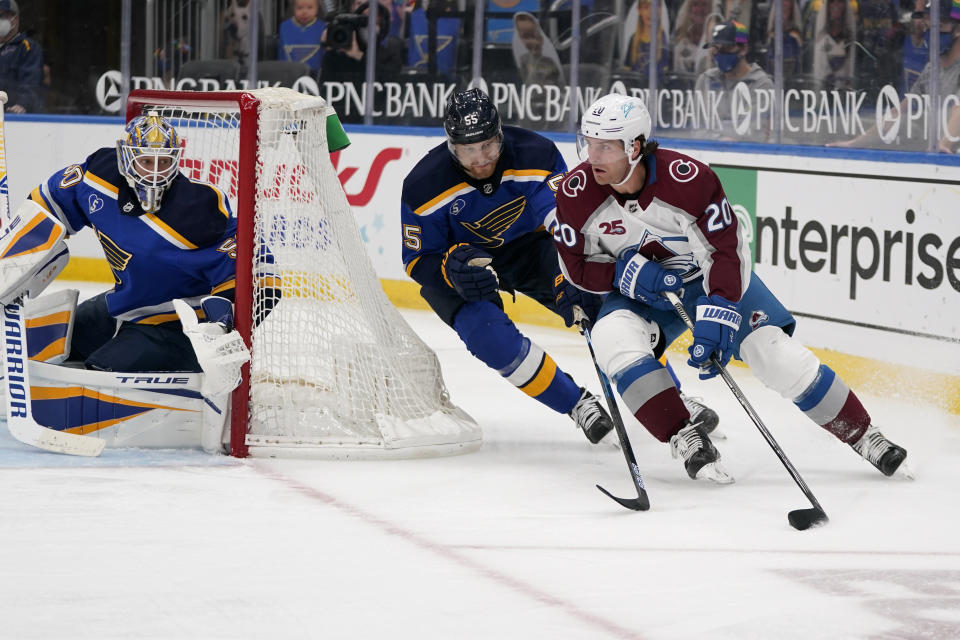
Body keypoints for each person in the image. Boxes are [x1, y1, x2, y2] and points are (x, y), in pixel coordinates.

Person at [552, 92, 910, 484]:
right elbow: (576, 266)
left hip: (707, 281)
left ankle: (862, 434)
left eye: (605, 146)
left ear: (635, 146)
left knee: (773, 354)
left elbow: (726, 251)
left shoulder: (688, 180)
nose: (592, 156)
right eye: (588, 142)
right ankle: (684, 435)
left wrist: (719, 308)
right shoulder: (575, 192)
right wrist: (623, 276)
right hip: (642, 294)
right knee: (612, 339)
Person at [400, 88, 716, 446]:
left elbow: (563, 221)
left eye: (487, 145)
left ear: (500, 134)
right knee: (487, 336)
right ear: (451, 145)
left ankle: (666, 398)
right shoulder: (423, 185)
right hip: (464, 267)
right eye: (467, 150)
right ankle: (577, 404)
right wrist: (448, 271)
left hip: (533, 248)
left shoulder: (535, 153)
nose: (480, 159)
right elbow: (416, 260)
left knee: (602, 311)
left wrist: (569, 272)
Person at [25, 112, 239, 372]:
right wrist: (17, 259)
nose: (155, 173)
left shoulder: (199, 208)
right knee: (39, 343)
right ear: (125, 157)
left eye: (164, 163)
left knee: (92, 375)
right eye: (146, 161)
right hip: (123, 307)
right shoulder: (98, 178)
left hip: (175, 325)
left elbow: (249, 273)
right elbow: (44, 208)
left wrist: (219, 325)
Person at [832, 0, 960, 149]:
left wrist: (943, 146)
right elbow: (899, 112)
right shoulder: (933, 68)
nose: (930, 32)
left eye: (938, 25)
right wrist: (854, 144)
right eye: (927, 25)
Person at [694, 21, 775, 141]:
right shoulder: (705, 80)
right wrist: (722, 138)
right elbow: (697, 129)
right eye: (716, 48)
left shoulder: (762, 84)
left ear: (744, 49)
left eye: (726, 47)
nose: (719, 54)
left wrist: (716, 133)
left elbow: (752, 134)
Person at [0, 0, 44, 113]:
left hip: (14, 117)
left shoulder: (27, 47)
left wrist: (23, 104)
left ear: (14, 19)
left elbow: (31, 81)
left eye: (1, 15)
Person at [810, 0, 857, 91]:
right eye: (832, 2)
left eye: (840, 2)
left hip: (844, 92)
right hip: (821, 90)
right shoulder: (821, 37)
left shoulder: (849, 37)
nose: (836, 5)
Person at [277, 0, 327, 73]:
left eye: (310, 8)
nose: (304, 12)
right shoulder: (284, 27)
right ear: (293, 8)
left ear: (317, 9)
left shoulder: (323, 28)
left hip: (315, 75)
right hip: (287, 74)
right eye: (300, 8)